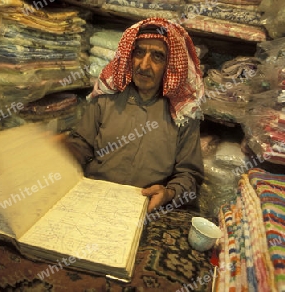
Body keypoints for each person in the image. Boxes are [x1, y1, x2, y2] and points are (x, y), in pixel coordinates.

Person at [64, 17, 205, 212]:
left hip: (145, 209)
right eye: (139, 53)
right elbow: (81, 146)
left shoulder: (182, 114)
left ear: (170, 65)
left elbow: (189, 175)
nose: (144, 65)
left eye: (157, 56)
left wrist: (169, 193)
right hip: (93, 200)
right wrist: (63, 150)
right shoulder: (105, 99)